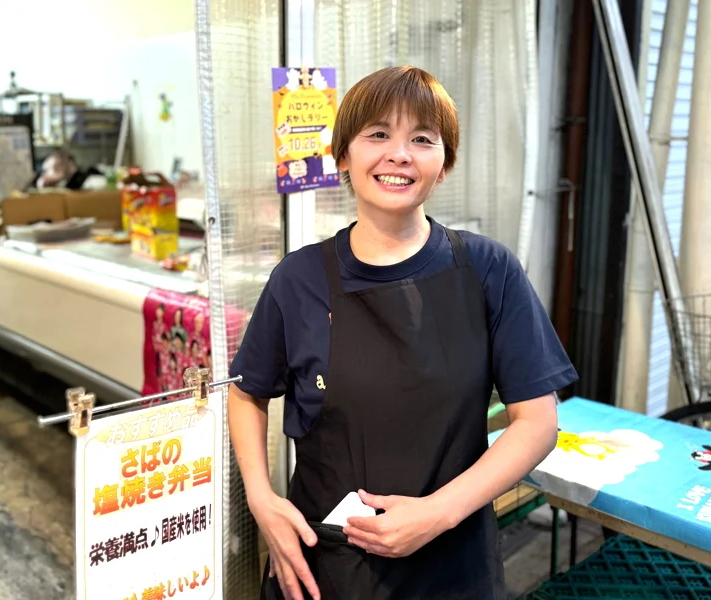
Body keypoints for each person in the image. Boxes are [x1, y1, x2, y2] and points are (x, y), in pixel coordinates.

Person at [228, 66, 578, 600]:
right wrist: (262, 499)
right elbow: (246, 391)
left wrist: (436, 514)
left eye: (422, 139)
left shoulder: (488, 270)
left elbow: (537, 423)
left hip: (452, 563)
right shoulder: (297, 279)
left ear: (444, 164)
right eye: (377, 135)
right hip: (324, 566)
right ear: (343, 156)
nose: (399, 154)